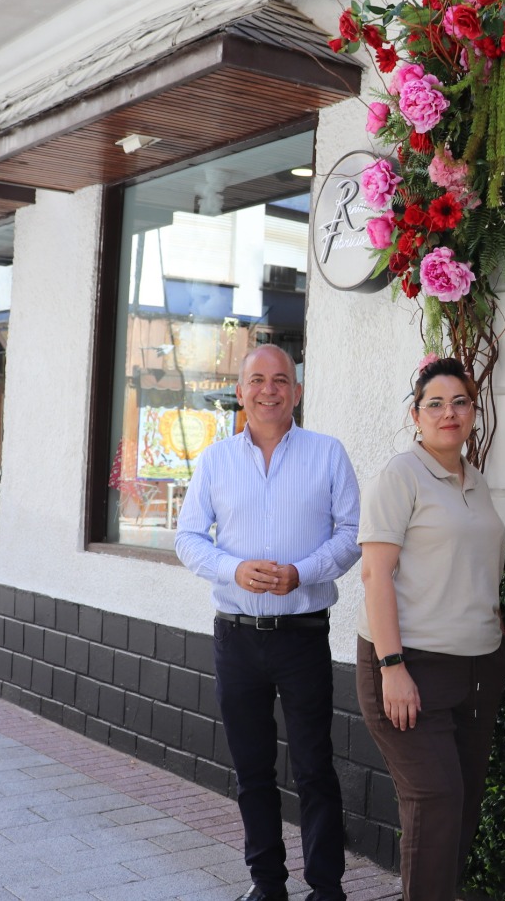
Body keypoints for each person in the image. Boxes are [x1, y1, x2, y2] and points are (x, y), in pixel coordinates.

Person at [175, 345, 360, 901]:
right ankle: (267, 885)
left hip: (303, 634)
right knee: (252, 771)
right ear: (241, 391)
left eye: (281, 380)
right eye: (257, 379)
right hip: (235, 637)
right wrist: (233, 568)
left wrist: (301, 573)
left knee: (314, 768)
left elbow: (351, 535)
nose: (269, 389)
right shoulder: (214, 461)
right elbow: (186, 539)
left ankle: (326, 888)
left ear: (297, 392)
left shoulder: (328, 454)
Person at [356, 358, 505, 901]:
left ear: (474, 412)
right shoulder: (402, 475)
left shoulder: (477, 482)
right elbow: (375, 573)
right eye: (436, 403)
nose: (450, 413)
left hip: (476, 670)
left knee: (461, 808)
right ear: (415, 415)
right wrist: (392, 668)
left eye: (461, 402)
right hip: (411, 666)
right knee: (436, 800)